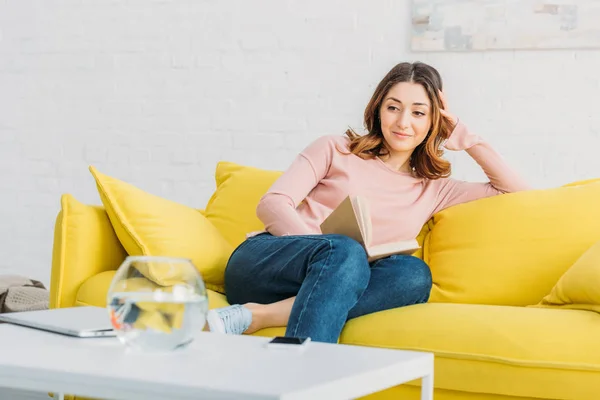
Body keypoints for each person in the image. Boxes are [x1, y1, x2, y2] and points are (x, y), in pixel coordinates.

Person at [205, 61, 530, 344]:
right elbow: (273, 204)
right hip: (268, 264)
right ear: (378, 109)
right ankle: (302, 372)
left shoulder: (435, 188)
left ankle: (258, 317)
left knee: (414, 274)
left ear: (434, 122)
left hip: (335, 283)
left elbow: (514, 192)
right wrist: (327, 251)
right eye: (393, 107)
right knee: (344, 251)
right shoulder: (335, 148)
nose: (403, 122)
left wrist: (466, 137)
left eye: (419, 112)